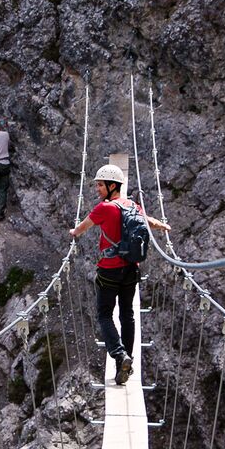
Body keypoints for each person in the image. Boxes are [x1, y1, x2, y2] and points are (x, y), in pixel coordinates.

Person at [68, 163, 173, 384]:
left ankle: (119, 355)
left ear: (111, 185)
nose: (97, 189)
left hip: (109, 270)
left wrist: (73, 232)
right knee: (127, 315)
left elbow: (82, 228)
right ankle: (124, 365)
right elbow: (149, 222)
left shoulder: (103, 208)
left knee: (105, 315)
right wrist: (162, 226)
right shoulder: (132, 205)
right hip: (131, 268)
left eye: (99, 185)